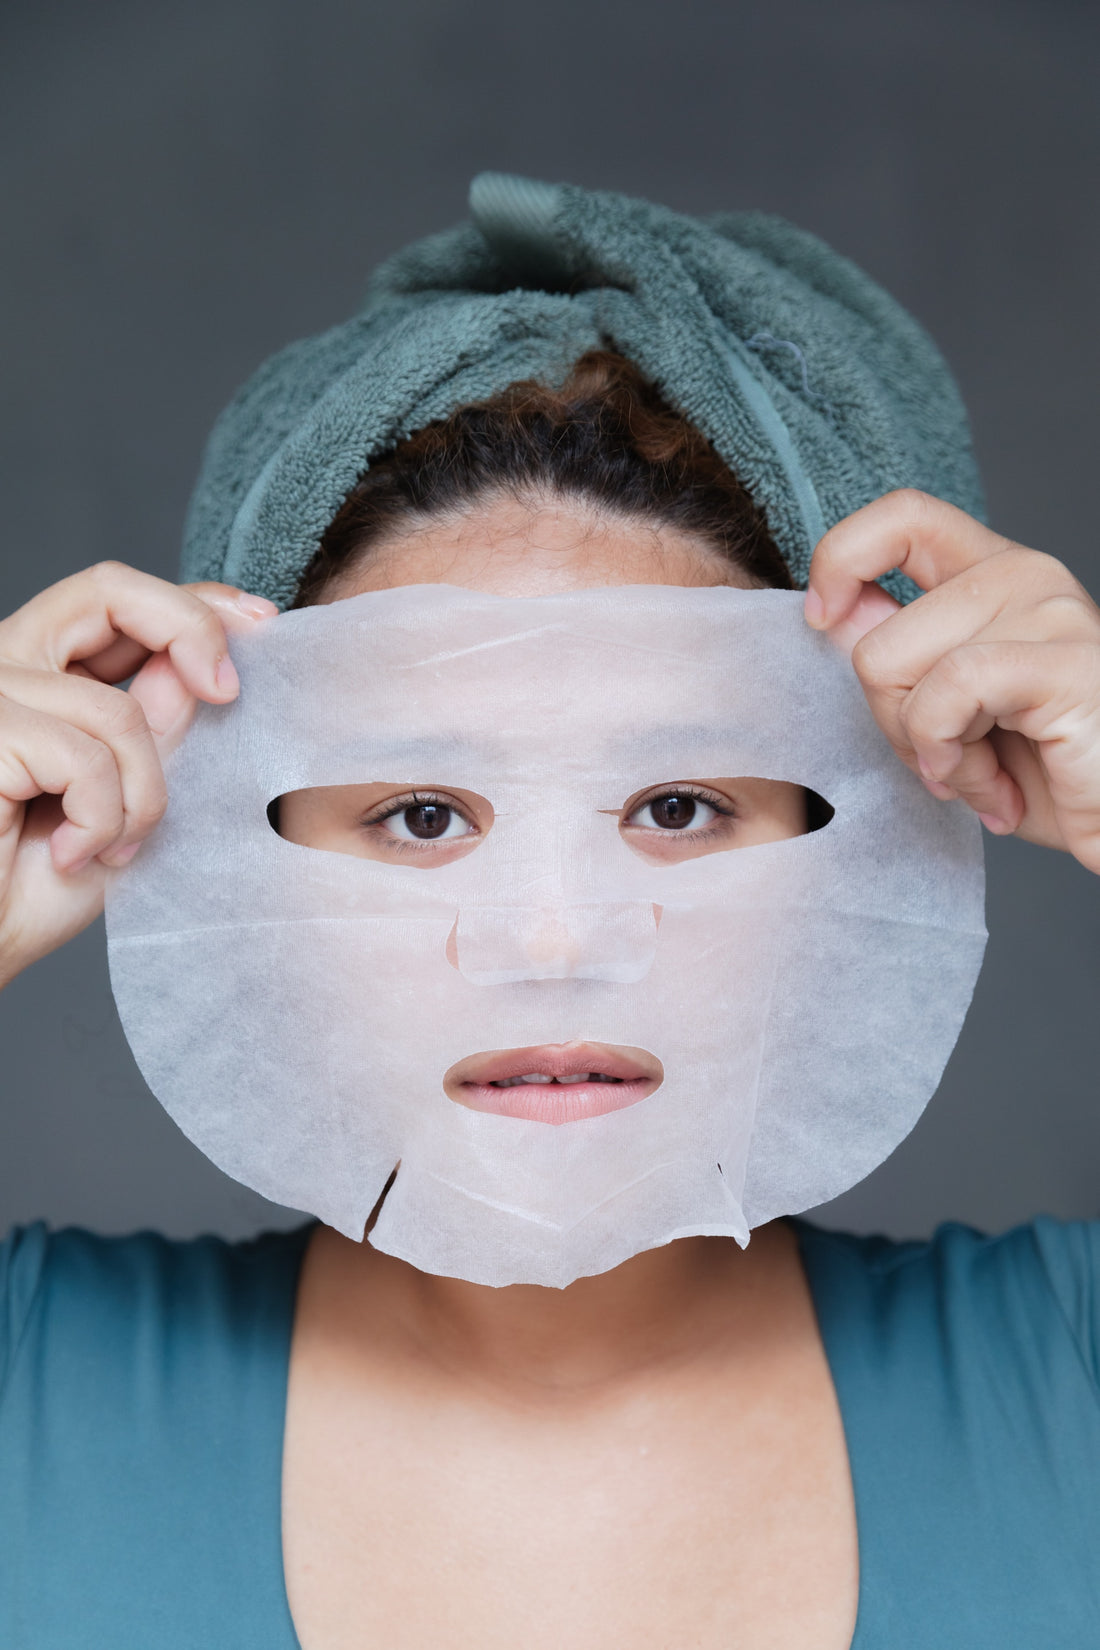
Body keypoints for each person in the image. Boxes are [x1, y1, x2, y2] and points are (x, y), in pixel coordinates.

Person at [1, 182, 1099, 1649]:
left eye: (679, 806)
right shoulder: (29, 1389)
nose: (550, 940)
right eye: (421, 813)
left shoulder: (1069, 1373)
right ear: (227, 842)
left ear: (871, 835)